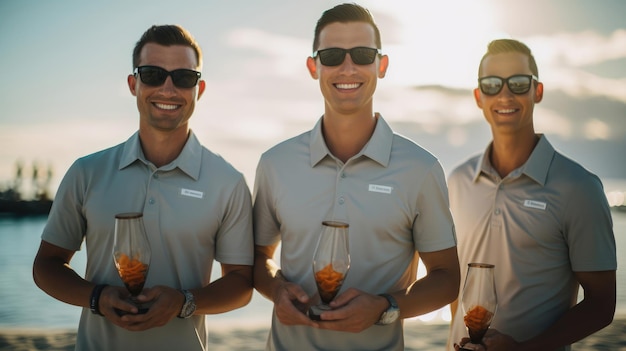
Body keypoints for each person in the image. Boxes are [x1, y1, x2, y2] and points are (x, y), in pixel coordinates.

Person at [32, 24, 254, 351]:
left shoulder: (228, 182)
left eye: (183, 77)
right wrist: (97, 297)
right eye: (152, 74)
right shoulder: (86, 172)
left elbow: (241, 284)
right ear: (133, 84)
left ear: (199, 89)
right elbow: (46, 266)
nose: (167, 88)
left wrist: (184, 302)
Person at [252, 3, 460, 350]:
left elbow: (447, 278)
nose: (347, 67)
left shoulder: (421, 169)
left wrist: (385, 307)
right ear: (313, 66)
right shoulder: (274, 164)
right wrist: (275, 288)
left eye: (362, 54)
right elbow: (258, 259)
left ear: (382, 65)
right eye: (332, 55)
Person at [448, 39, 617, 351]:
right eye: (492, 84)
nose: (505, 94)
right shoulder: (457, 181)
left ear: (537, 91)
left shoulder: (579, 187)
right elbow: (457, 288)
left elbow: (602, 305)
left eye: (518, 83)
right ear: (478, 97)